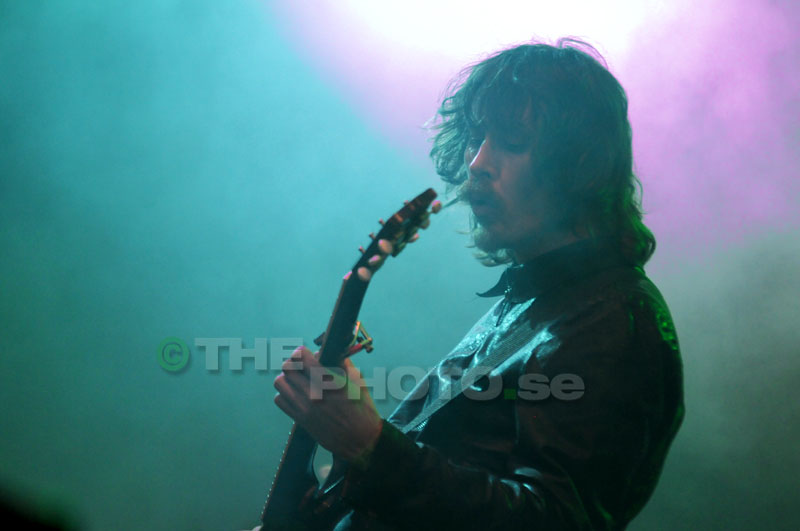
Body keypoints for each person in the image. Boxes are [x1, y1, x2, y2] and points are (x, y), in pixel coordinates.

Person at [273, 39, 684, 530]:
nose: (478, 163)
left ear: (579, 164)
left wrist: (370, 445)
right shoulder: (532, 302)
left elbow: (555, 520)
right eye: (476, 138)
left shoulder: (615, 320)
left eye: (512, 142)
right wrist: (349, 453)